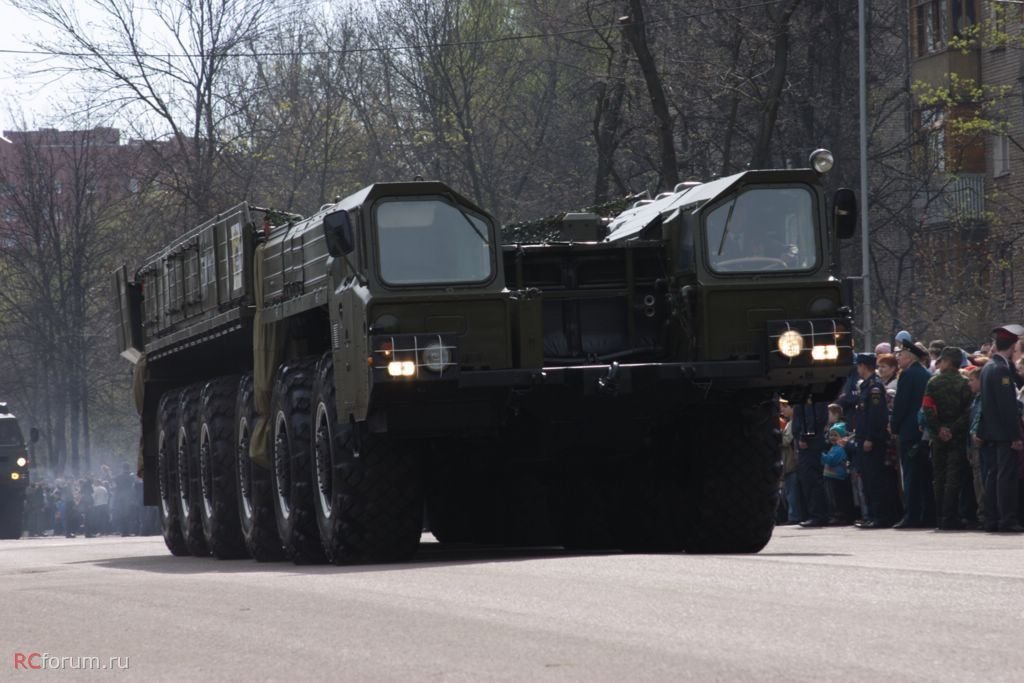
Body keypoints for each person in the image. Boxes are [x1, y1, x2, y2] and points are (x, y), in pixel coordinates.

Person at [978, 324, 1024, 532]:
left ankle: (991, 517)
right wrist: (1015, 434)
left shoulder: (989, 367)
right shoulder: (1002, 369)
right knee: (1006, 476)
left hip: (992, 430)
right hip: (1004, 432)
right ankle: (1006, 518)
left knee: (993, 474)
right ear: (1014, 346)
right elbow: (1007, 406)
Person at [922, 346, 973, 529]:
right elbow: (969, 412)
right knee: (954, 477)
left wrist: (939, 429)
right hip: (957, 435)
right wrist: (952, 429)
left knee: (939, 477)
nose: (938, 363)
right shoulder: (964, 383)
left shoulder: (933, 383)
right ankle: (951, 516)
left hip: (938, 436)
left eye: (941, 360)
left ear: (948, 361)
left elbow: (928, 409)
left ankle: (940, 516)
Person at [891, 339, 935, 528]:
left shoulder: (908, 375)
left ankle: (912, 515)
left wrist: (894, 426)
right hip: (923, 431)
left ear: (909, 357)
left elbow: (901, 405)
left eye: (901, 355)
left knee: (910, 474)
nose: (899, 359)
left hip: (909, 431)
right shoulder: (925, 374)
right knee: (924, 475)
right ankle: (927, 514)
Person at [853, 353, 898, 528]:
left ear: (864, 366)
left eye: (859, 366)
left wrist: (870, 438)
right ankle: (871, 514)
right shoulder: (865, 387)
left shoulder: (874, 388)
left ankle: (879, 516)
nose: (858, 369)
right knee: (867, 479)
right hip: (863, 438)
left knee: (875, 479)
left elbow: (876, 416)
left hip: (872, 441)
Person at [792, 397, 830, 527]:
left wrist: (804, 436)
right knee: (807, 480)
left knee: (812, 479)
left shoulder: (812, 395)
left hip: (811, 443)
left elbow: (813, 418)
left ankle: (818, 515)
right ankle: (814, 513)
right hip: (806, 443)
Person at [821, 422, 855, 524]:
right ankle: (837, 515)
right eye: (831, 435)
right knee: (833, 498)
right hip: (831, 476)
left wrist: (821, 454)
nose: (832, 437)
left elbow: (831, 461)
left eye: (835, 435)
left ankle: (841, 516)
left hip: (837, 477)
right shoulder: (833, 448)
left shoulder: (839, 449)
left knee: (838, 498)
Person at [779, 398, 804, 525]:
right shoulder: (789, 423)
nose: (782, 409)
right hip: (787, 464)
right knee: (788, 492)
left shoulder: (793, 423)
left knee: (792, 492)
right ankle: (791, 515)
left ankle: (794, 516)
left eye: (785, 406)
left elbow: (786, 440)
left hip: (791, 463)